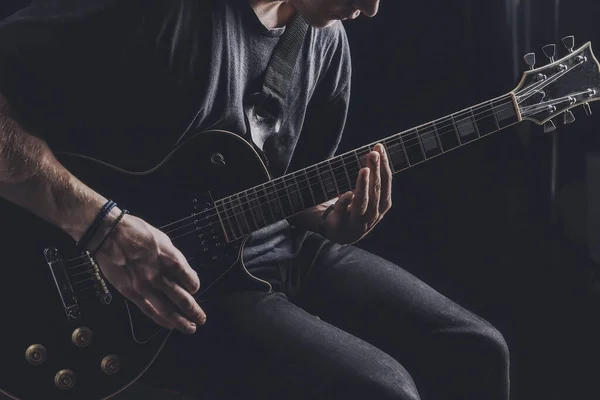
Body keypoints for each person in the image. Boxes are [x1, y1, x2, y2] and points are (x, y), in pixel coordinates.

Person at [0, 0, 510, 399]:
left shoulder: (324, 39)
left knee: (475, 350)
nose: (373, 9)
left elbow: (284, 182)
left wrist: (327, 218)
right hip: (161, 283)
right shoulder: (153, 11)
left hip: (274, 245)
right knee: (382, 391)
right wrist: (100, 226)